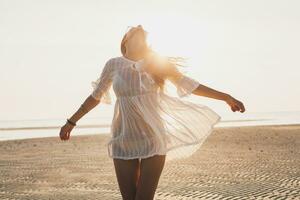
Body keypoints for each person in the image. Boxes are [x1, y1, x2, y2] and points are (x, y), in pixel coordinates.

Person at [59, 24, 245, 200]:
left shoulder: (156, 63)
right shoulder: (113, 65)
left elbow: (189, 84)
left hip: (153, 137)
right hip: (124, 139)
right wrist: (71, 122)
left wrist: (226, 97)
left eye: (143, 31)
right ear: (125, 41)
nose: (139, 27)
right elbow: (96, 96)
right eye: (133, 29)